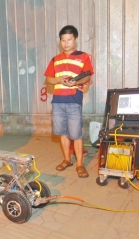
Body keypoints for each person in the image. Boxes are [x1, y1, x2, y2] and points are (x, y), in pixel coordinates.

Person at [44, 25, 94, 178]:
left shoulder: (83, 56)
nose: (66, 43)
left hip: (73, 101)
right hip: (57, 101)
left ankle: (79, 164)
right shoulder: (55, 59)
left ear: (75, 40)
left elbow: (87, 76)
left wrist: (76, 83)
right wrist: (59, 79)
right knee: (63, 133)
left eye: (69, 39)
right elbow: (48, 79)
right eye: (63, 40)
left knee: (76, 134)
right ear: (60, 41)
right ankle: (67, 159)